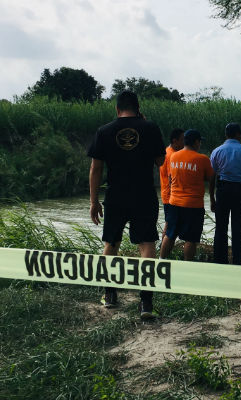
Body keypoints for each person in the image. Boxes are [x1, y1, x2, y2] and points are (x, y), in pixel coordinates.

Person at [87, 90, 164, 319]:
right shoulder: (150, 128)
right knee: (146, 244)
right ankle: (146, 303)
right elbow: (161, 162)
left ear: (117, 108)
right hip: (144, 194)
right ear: (138, 107)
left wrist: (93, 201)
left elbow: (96, 169)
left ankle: (110, 295)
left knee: (111, 243)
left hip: (115, 195)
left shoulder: (104, 131)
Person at [160, 129, 215, 262]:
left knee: (170, 234)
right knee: (191, 238)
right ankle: (187, 264)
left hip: (174, 202)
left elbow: (171, 177)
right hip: (193, 205)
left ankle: (161, 261)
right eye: (200, 141)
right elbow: (211, 178)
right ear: (196, 142)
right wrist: (212, 198)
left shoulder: (173, 156)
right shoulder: (202, 159)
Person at [210, 123, 241, 265]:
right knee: (239, 227)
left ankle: (220, 261)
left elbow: (212, 178)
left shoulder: (216, 151)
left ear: (226, 135)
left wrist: (212, 198)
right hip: (240, 191)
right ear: (238, 134)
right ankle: (239, 261)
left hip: (223, 191)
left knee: (220, 227)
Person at [159, 128, 185, 244]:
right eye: (182, 139)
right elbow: (171, 178)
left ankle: (162, 248)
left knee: (169, 224)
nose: (184, 142)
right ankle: (162, 252)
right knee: (170, 226)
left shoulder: (166, 151)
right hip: (171, 197)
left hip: (167, 195)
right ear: (175, 141)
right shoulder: (172, 155)